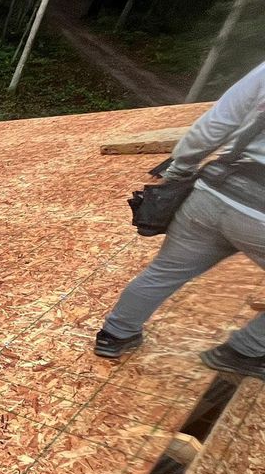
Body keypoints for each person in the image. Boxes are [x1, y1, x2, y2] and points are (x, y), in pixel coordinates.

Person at [95, 59, 265, 377]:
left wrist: (178, 174)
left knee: (164, 271)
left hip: (212, 193)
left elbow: (214, 126)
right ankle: (245, 351)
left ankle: (115, 335)